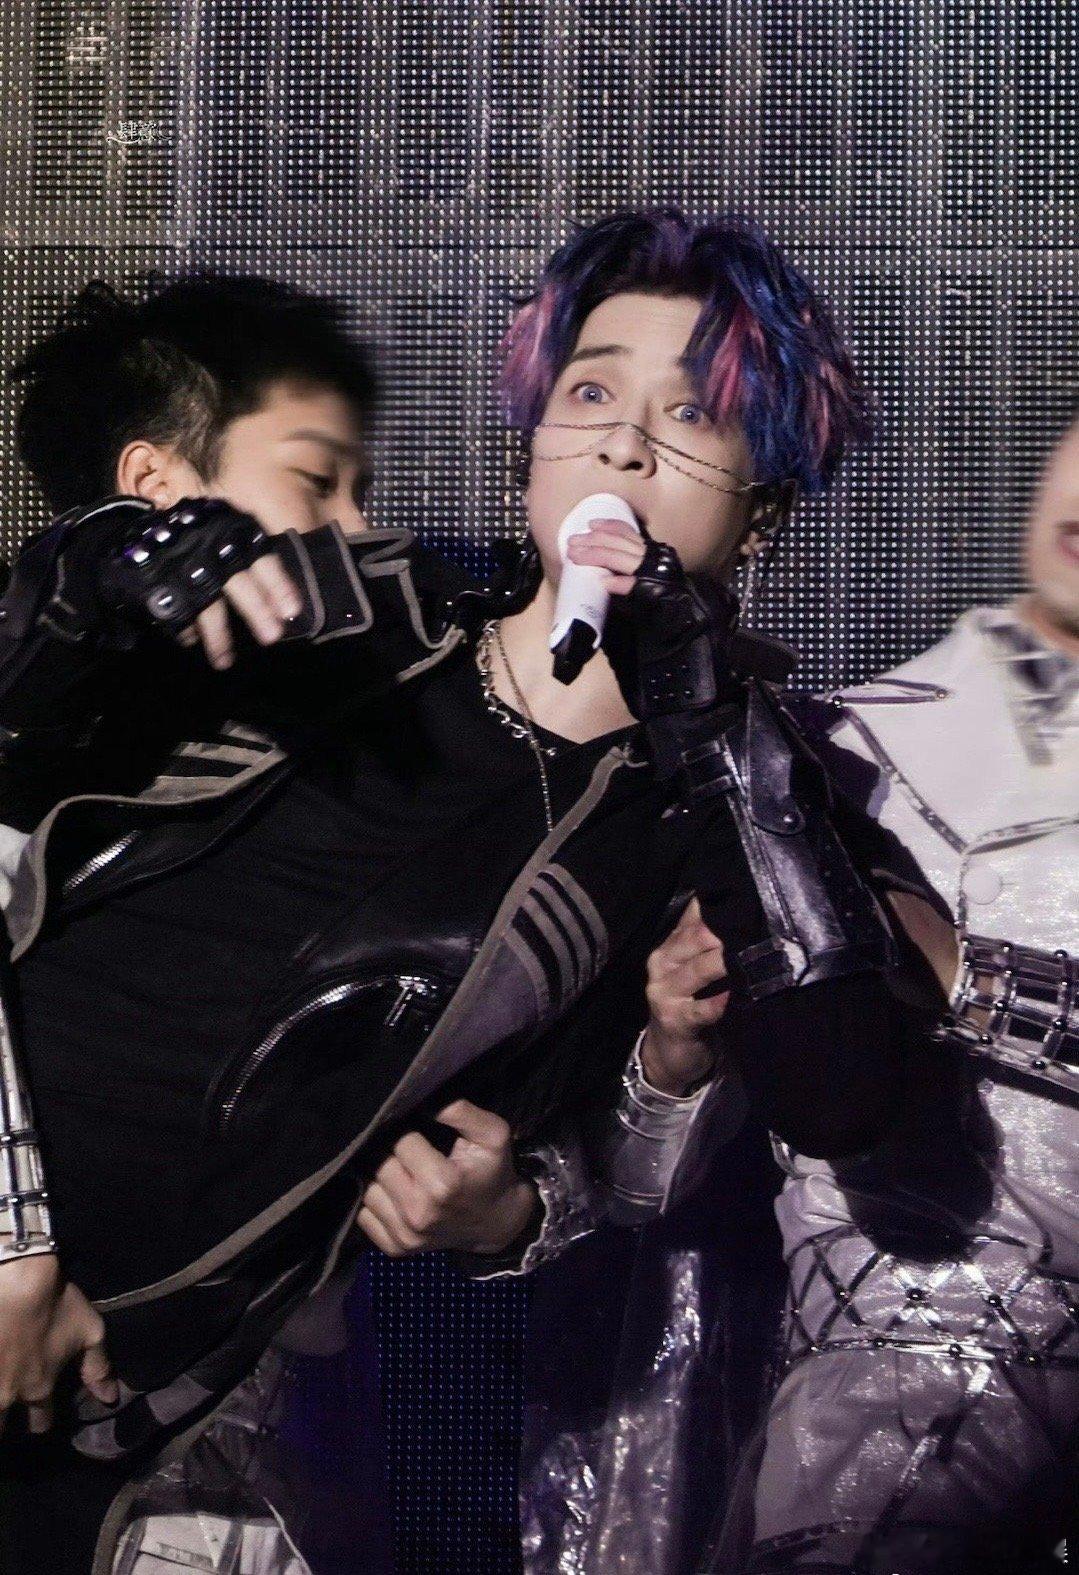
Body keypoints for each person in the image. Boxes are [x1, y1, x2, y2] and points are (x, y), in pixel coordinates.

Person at [0, 211, 908, 1574]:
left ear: (762, 504)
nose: (621, 445)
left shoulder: (724, 811)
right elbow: (44, 704)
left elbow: (806, 1104)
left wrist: (510, 1212)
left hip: (143, 1407)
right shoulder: (348, 612)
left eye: (690, 415)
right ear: (524, 450)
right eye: (588, 394)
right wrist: (12, 1241)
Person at [708, 408, 1078, 1573]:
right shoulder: (836, 749)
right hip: (879, 1427)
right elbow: (673, 1178)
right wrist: (667, 1059)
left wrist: (972, 981)